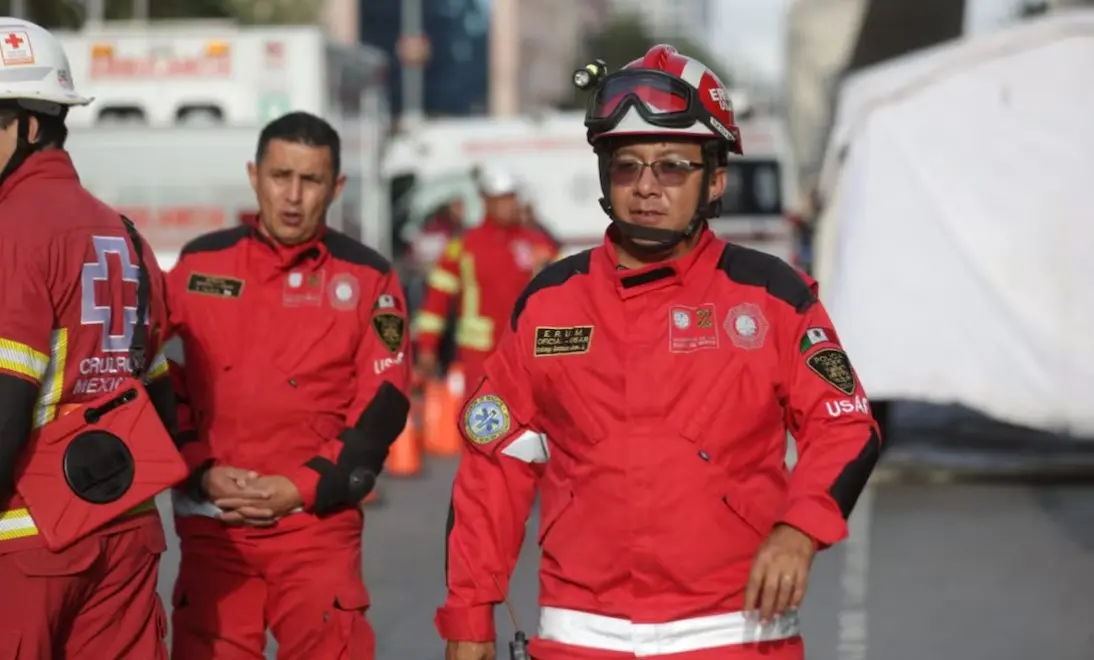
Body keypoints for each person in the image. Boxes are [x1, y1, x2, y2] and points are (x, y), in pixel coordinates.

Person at [436, 45, 881, 660]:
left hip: (735, 636)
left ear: (715, 179)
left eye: (672, 166)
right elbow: (494, 466)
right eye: (627, 166)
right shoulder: (549, 302)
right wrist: (468, 616)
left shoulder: (773, 295)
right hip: (579, 640)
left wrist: (798, 530)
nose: (646, 186)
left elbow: (845, 427)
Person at [165, 111, 412, 659]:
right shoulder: (200, 264)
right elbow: (162, 381)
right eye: (281, 176)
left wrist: (299, 488)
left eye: (310, 180)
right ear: (254, 175)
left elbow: (384, 404)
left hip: (315, 529)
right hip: (214, 528)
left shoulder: (368, 277)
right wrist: (201, 471)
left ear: (336, 186)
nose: (293, 196)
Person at [0, 18, 180, 659]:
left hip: (27, 543)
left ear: (30, 125)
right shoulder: (125, 234)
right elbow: (162, 399)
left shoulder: (13, 230)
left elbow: (5, 405)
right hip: (125, 528)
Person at [412, 165, 558, 389]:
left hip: (527, 352)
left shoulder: (538, 244)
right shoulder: (464, 246)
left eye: (512, 198)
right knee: (481, 409)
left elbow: (567, 294)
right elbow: (436, 301)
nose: (510, 205)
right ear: (487, 201)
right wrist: (427, 347)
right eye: (502, 199)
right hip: (479, 357)